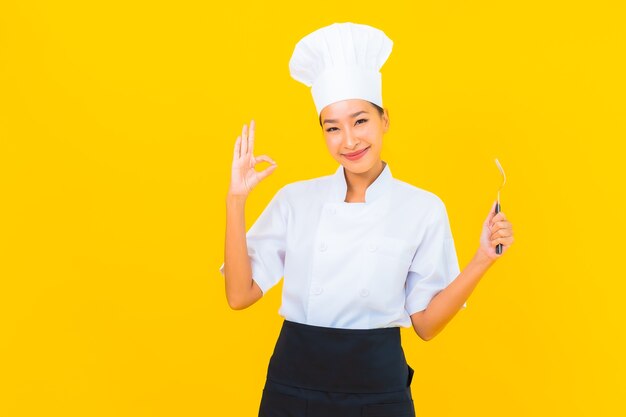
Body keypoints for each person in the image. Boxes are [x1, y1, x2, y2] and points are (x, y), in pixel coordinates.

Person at [220, 22, 514, 417]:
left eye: (360, 121)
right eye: (333, 128)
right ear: (322, 133)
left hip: (378, 389)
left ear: (384, 120)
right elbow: (239, 296)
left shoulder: (422, 208)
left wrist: (483, 258)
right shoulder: (296, 200)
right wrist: (236, 201)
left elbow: (426, 325)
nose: (349, 141)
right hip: (294, 384)